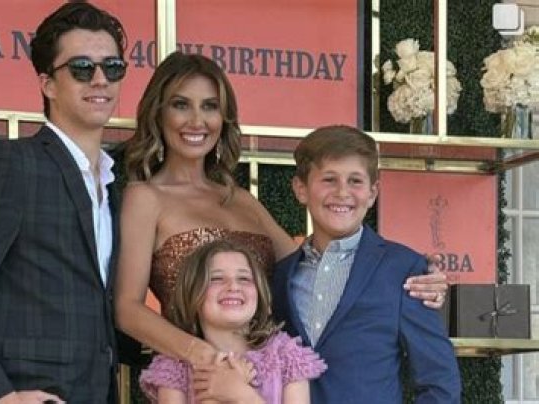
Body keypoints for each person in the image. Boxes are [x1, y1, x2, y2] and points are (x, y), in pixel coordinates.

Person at [114, 51, 449, 399]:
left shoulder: (240, 199)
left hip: (270, 387)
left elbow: (307, 270)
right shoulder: (144, 197)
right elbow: (126, 310)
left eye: (210, 106)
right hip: (198, 383)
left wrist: (413, 275)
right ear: (159, 113)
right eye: (181, 105)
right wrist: (204, 356)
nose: (197, 120)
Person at [0, 2, 128, 403]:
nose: (100, 79)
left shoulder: (115, 183)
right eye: (82, 68)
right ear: (48, 84)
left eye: (112, 67)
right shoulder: (14, 164)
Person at [271, 125, 461, 403]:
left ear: (372, 193)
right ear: (301, 189)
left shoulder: (403, 269)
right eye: (329, 179)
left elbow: (440, 380)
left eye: (355, 181)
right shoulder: (281, 276)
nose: (342, 192)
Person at [139, 239, 327, 403]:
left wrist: (243, 395)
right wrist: (216, 396)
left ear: (260, 293)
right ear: (192, 294)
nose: (233, 286)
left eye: (244, 278)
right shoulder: (176, 366)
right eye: (216, 278)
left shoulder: (286, 357)